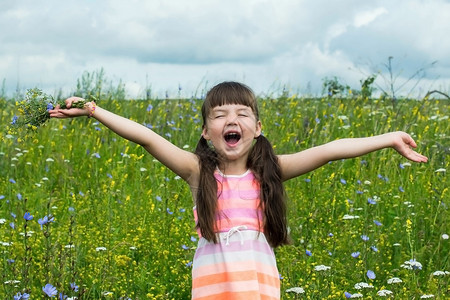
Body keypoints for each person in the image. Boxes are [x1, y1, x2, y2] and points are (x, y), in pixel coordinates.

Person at [49, 81, 428, 300]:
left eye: (242, 113)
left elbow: (329, 151)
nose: (232, 120)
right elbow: (146, 138)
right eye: (219, 115)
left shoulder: (270, 174)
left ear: (257, 127)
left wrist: (389, 138)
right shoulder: (198, 173)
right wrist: (94, 111)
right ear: (205, 132)